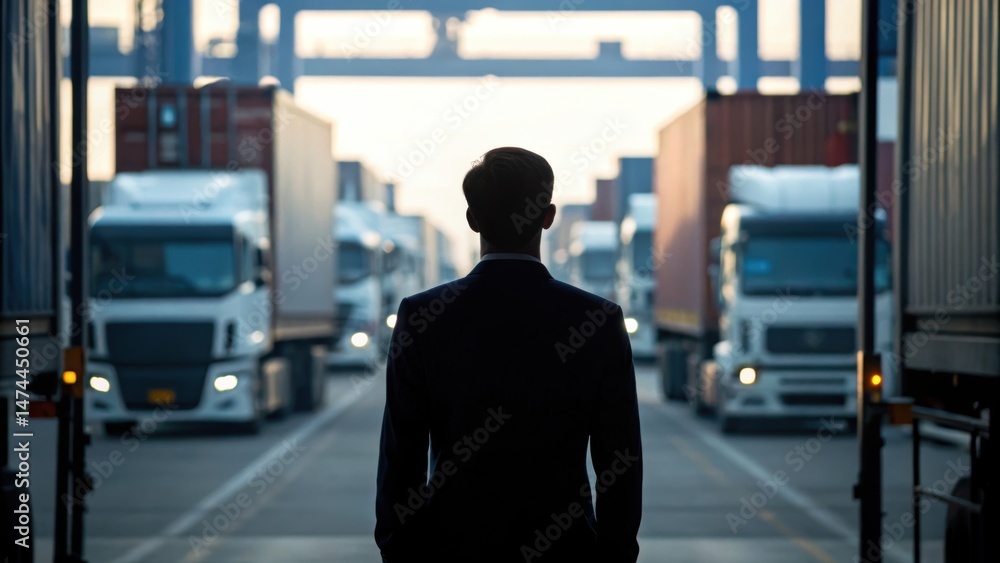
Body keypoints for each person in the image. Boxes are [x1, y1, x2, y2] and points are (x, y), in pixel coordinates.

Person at [375, 147, 642, 563]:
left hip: (453, 550)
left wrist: (399, 551)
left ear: (472, 220)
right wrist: (615, 554)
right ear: (548, 216)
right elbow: (619, 458)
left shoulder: (422, 315)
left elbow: (401, 452)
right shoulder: (598, 320)